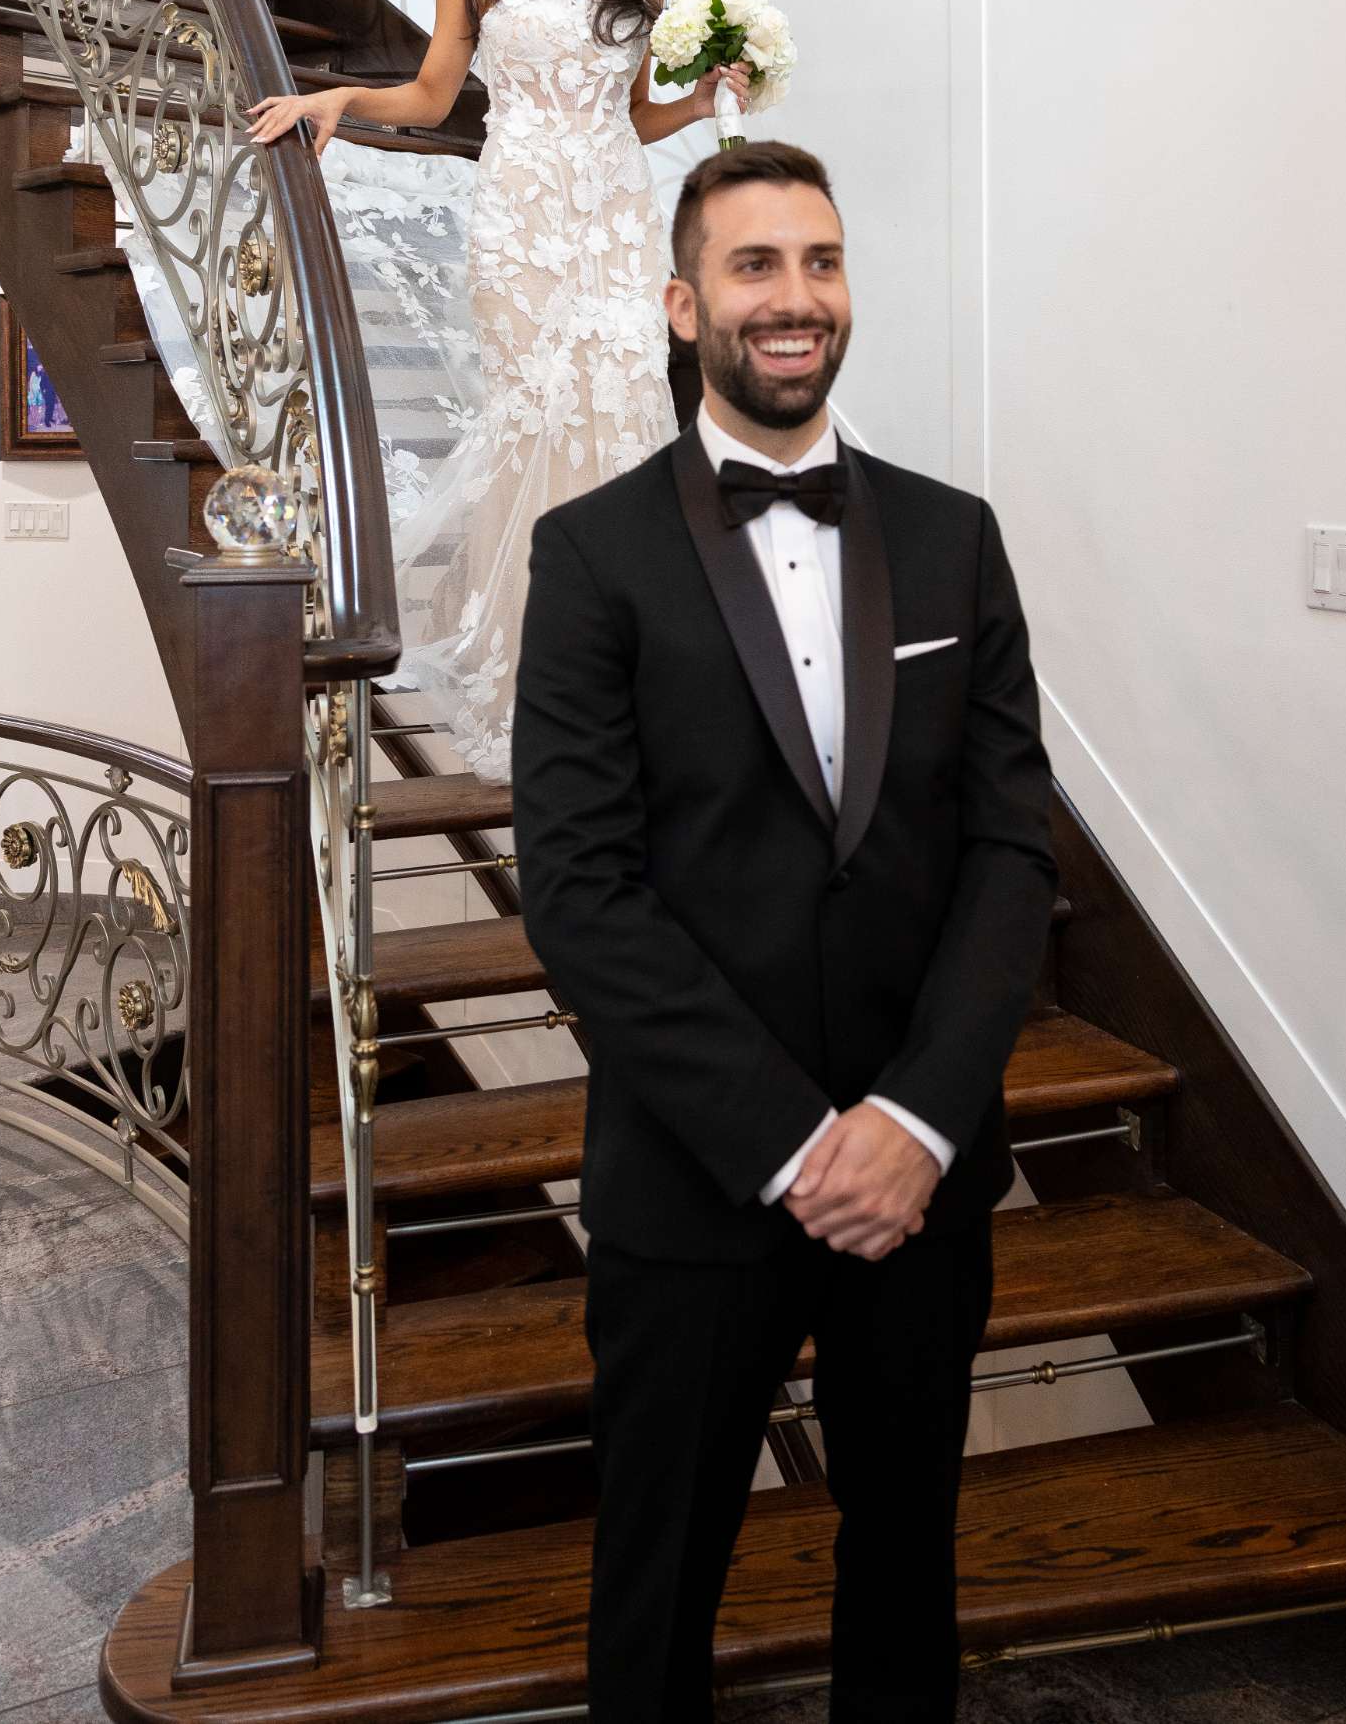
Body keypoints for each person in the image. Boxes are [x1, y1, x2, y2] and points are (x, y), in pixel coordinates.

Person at [512, 143, 1058, 1724]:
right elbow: (580, 891)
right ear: (684, 306)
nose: (794, 296)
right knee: (658, 1584)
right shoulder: (590, 555)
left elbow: (1007, 853)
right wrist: (796, 1144)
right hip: (699, 1178)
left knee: (905, 1570)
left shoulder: (956, 536)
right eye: (753, 265)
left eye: (819, 260)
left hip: (919, 1183)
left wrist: (915, 1121)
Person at [248, 0, 746, 777]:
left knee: (625, 426)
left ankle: (619, 686)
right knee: (540, 428)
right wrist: (341, 97)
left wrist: (700, 103)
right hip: (519, 225)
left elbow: (629, 113)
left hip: (615, 225)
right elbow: (434, 96)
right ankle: (531, 691)